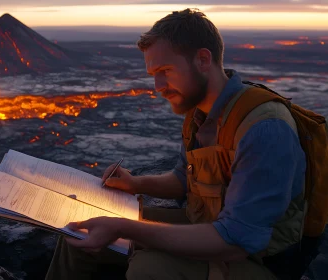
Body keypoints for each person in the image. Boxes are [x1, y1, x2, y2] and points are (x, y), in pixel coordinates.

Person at [44, 8, 307, 280]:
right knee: (79, 230)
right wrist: (136, 184)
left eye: (165, 70)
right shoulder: (200, 113)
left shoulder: (264, 129)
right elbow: (185, 179)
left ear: (203, 59)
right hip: (208, 225)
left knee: (149, 269)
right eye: (153, 74)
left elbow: (237, 240)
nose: (157, 85)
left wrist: (125, 228)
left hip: (257, 260)